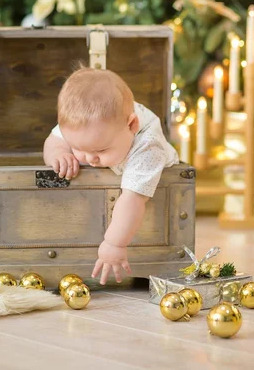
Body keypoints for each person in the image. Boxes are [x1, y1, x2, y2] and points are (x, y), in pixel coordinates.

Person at [43, 66, 179, 285]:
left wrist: (115, 243)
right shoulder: (84, 124)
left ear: (131, 125)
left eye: (101, 151)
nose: (89, 159)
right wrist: (58, 152)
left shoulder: (147, 147)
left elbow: (133, 200)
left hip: (146, 177)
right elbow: (54, 139)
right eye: (78, 148)